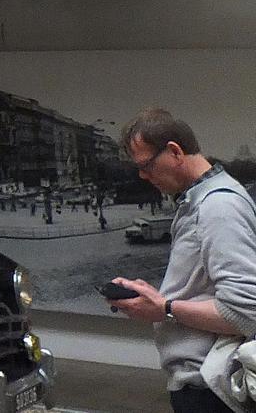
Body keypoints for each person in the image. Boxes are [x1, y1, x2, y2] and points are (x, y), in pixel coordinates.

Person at [106, 108, 256, 413]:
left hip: (211, 390)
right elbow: (207, 289)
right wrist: (158, 299)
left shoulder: (218, 206)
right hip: (205, 383)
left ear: (175, 152)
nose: (142, 176)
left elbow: (246, 311)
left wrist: (165, 308)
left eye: (146, 165)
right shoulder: (201, 200)